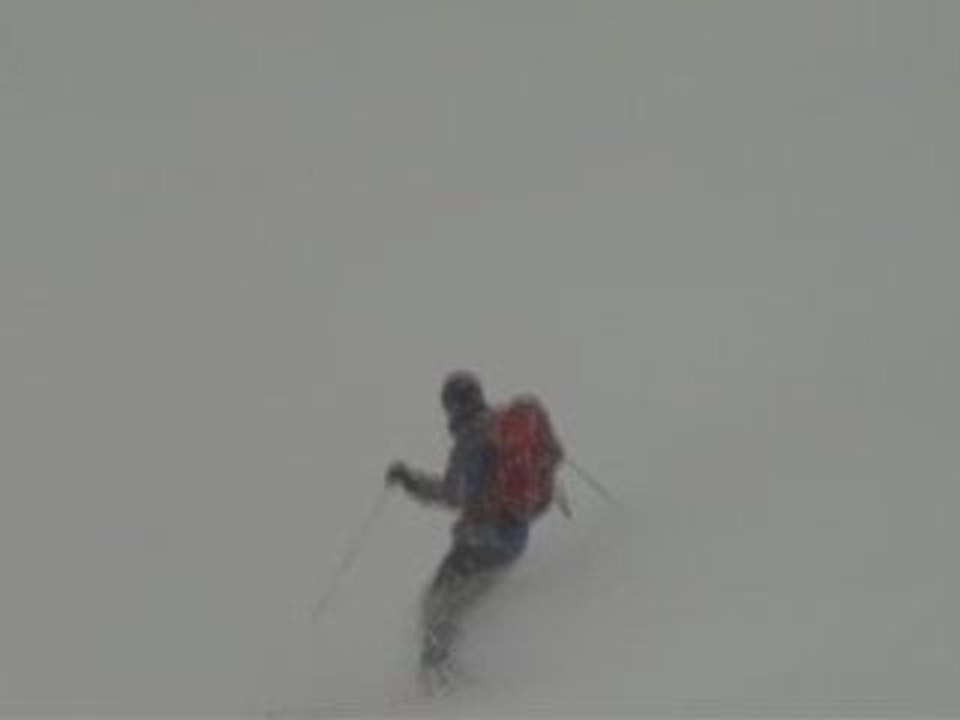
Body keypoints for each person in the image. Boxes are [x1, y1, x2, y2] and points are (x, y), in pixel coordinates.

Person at [385, 371, 561, 693]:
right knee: (460, 609)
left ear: (452, 406)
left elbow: (454, 493)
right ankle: (463, 679)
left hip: (481, 541)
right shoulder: (503, 424)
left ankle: (439, 688)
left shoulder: (471, 438)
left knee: (434, 605)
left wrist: (411, 482)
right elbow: (554, 456)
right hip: (513, 542)